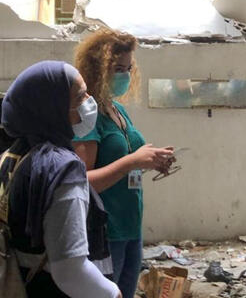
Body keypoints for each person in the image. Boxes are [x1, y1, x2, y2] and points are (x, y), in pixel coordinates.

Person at [0, 60, 121, 298]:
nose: (89, 102)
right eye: (80, 97)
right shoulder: (61, 168)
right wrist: (112, 293)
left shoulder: (10, 158)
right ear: (52, 108)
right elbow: (70, 270)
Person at [73, 29, 174, 298]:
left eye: (129, 68)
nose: (125, 75)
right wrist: (132, 161)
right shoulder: (88, 117)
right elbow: (82, 181)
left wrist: (150, 161)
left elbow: (125, 161)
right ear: (98, 68)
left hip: (131, 226)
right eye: (118, 68)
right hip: (106, 231)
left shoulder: (118, 110)